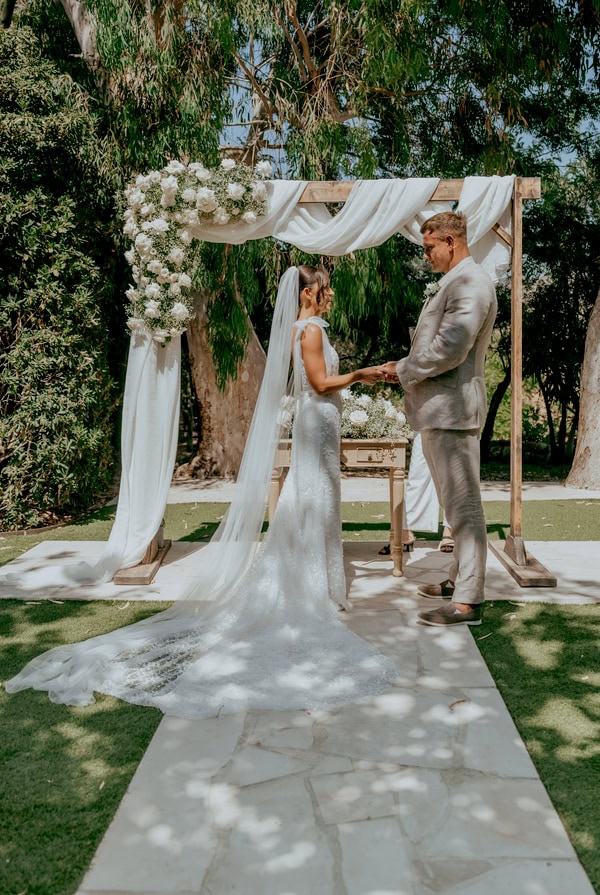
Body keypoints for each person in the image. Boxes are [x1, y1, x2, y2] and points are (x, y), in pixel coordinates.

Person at [6, 266, 397, 718]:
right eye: (325, 289)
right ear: (308, 292)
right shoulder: (308, 331)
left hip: (323, 424)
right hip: (318, 419)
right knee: (312, 499)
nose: (330, 296)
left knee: (317, 501)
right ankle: (312, 587)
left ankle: (321, 583)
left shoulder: (307, 328)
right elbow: (319, 383)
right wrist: (363, 374)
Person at [383, 211, 496, 626]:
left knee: (464, 507)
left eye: (430, 247)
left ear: (451, 241)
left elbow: (451, 347)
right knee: (454, 506)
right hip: (439, 410)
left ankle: (467, 603)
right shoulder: (457, 281)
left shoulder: (471, 282)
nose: (427, 255)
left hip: (453, 410)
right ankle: (458, 579)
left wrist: (403, 370)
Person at [378, 432, 452, 555]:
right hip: (424, 421)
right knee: (417, 476)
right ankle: (405, 533)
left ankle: (450, 530)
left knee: (451, 476)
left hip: (454, 419)